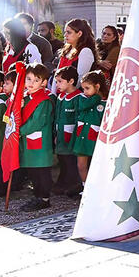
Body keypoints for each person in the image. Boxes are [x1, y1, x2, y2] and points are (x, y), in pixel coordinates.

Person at [18, 62, 55, 211]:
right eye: (28, 79)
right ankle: (37, 196)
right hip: (29, 141)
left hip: (40, 142)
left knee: (41, 171)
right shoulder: (25, 97)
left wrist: (19, 131)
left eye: (36, 80)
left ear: (44, 83)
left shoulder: (44, 100)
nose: (31, 83)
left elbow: (37, 122)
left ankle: (44, 198)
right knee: (32, 170)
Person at [73, 70, 107, 187]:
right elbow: (83, 106)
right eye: (83, 89)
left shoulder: (105, 104)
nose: (84, 92)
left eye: (87, 88)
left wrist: (98, 98)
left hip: (95, 141)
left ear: (97, 86)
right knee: (81, 166)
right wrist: (96, 97)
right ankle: (85, 187)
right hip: (82, 141)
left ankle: (98, 189)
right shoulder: (82, 99)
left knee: (97, 166)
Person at [53, 65, 83, 196]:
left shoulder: (78, 97)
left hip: (71, 137)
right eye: (56, 82)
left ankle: (74, 184)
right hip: (60, 135)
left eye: (60, 81)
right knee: (62, 160)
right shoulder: (60, 97)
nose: (57, 85)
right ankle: (63, 182)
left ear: (71, 81)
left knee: (71, 161)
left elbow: (78, 118)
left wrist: (76, 136)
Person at [54, 19, 97, 91]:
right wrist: (54, 93)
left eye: (69, 32)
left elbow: (80, 79)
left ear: (79, 34)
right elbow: (57, 75)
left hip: (74, 96)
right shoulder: (66, 50)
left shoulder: (85, 51)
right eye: (65, 32)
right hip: (61, 94)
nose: (65, 35)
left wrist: (68, 94)